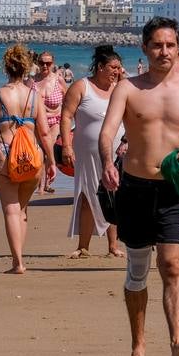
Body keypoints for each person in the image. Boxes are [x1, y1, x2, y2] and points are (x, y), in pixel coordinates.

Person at [99, 17, 179, 356]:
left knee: (172, 265)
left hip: (175, 188)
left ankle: (177, 343)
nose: (164, 51)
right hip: (134, 187)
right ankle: (139, 346)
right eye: (157, 45)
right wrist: (106, 162)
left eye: (170, 45)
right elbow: (108, 132)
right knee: (137, 270)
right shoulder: (128, 88)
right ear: (145, 48)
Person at [0, 44, 56, 274]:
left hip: (3, 152)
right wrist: (51, 161)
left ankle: (18, 262)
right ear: (25, 68)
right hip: (32, 155)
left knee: (10, 209)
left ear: (7, 68)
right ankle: (20, 259)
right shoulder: (34, 95)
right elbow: (43, 132)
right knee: (21, 209)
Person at [60, 44, 127, 258]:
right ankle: (83, 246)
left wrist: (123, 79)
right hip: (87, 152)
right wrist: (67, 146)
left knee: (114, 195)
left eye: (119, 67)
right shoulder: (82, 86)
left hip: (116, 153)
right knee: (88, 196)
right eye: (113, 67)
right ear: (100, 67)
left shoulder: (121, 88)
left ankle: (113, 246)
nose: (117, 71)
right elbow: (66, 116)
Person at [33, 49, 67, 192]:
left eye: (48, 63)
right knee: (39, 152)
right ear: (37, 63)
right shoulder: (32, 81)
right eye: (42, 63)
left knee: (48, 151)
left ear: (53, 63)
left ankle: (44, 185)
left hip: (55, 120)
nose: (45, 66)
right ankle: (40, 183)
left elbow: (68, 102)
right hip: (38, 121)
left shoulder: (58, 80)